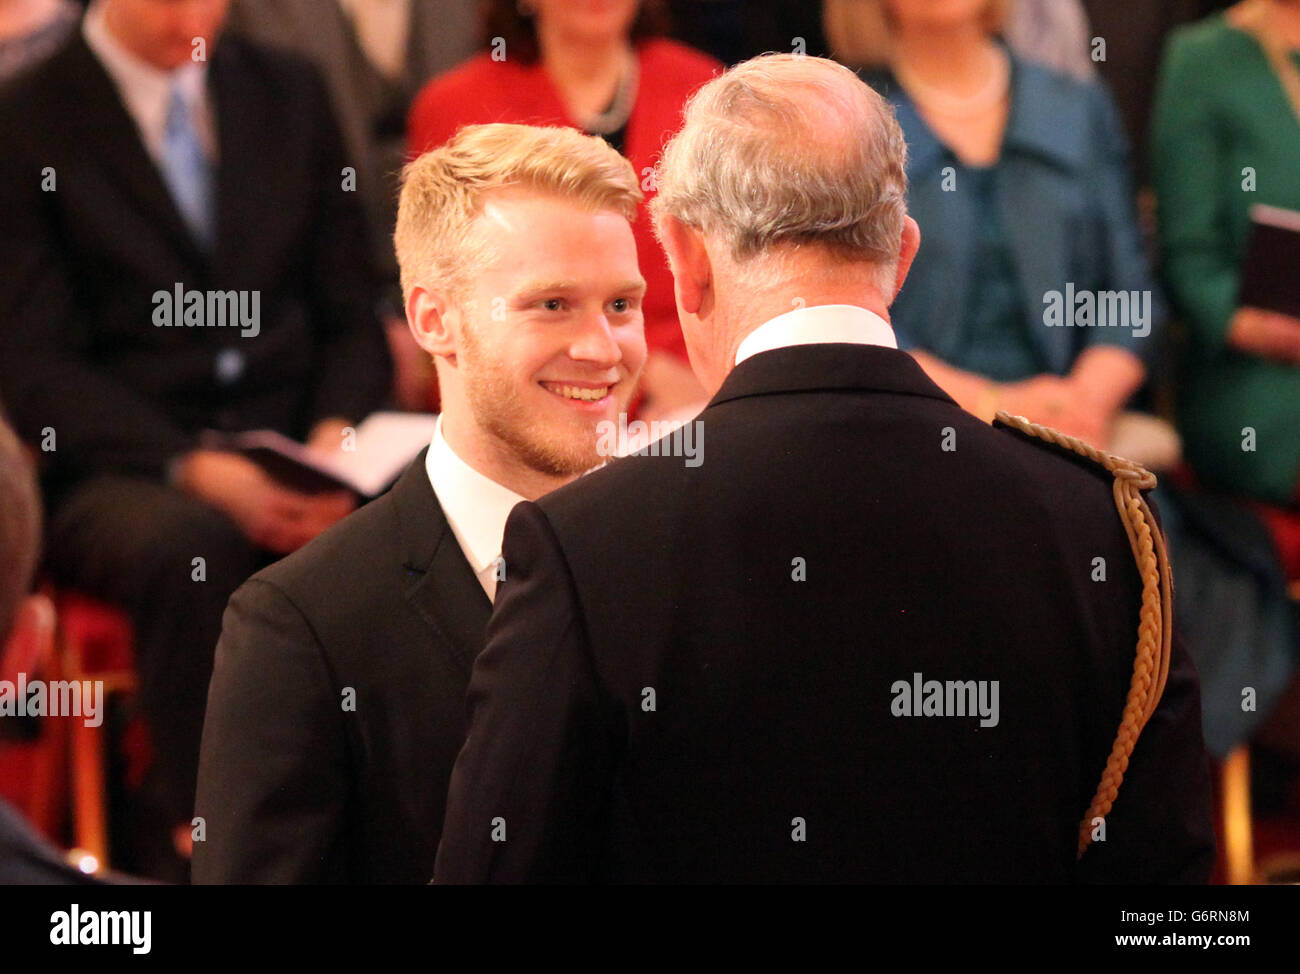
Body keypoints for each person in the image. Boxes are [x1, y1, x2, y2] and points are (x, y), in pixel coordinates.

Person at [433, 54, 1215, 884]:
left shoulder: (581, 544)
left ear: (685, 256)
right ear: (903, 254)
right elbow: (1167, 903)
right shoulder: (1100, 523)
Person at [193, 123, 647, 883]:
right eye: (553, 304)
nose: (603, 349)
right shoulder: (300, 626)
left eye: (622, 305)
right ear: (435, 320)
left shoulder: (688, 571)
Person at [0, 0, 391, 879]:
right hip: (122, 463)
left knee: (415, 515)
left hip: (297, 437)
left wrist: (334, 436)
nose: (194, 15)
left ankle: (388, 815)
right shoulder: (27, 117)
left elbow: (350, 311)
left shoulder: (287, 90)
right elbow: (36, 369)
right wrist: (195, 468)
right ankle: (208, 841)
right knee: (194, 552)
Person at [826, 0, 1164, 459]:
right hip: (911, 430)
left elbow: (1131, 290)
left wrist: (1084, 404)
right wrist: (992, 405)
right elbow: (841, 308)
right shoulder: (842, 123)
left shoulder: (1077, 106)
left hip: (1077, 427)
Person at [407, 0, 719, 424]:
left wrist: (704, 379)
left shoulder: (704, 89)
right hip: (536, 395)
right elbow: (461, 295)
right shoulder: (455, 104)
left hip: (700, 391)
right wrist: (644, 374)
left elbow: (732, 270)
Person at [225, 0, 479, 410]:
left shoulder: (466, 16)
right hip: (321, 339)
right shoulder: (248, 15)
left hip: (463, 306)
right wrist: (374, 324)